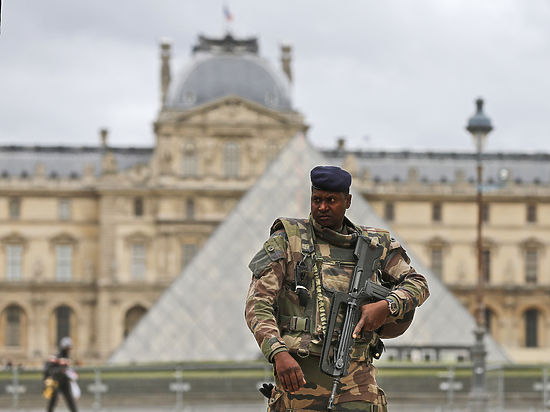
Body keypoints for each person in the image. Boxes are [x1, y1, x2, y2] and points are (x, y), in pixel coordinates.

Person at [245, 165, 430, 411]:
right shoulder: (288, 240)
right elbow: (257, 304)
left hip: (357, 380)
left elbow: (418, 284)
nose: (322, 207)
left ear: (348, 201)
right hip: (298, 377)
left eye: (331, 200)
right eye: (316, 200)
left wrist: (387, 306)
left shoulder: (376, 246)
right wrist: (278, 352)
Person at [43, 336, 79, 412]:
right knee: (53, 399)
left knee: (70, 400)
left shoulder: (68, 358)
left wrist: (71, 375)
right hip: (56, 381)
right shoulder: (56, 357)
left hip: (65, 382)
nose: (69, 350)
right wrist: (47, 379)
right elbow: (48, 369)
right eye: (68, 348)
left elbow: (68, 369)